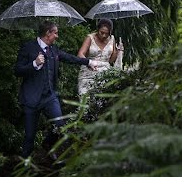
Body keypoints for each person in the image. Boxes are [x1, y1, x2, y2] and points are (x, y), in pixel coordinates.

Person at [14, 21, 96, 158]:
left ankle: (47, 145)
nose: (57, 36)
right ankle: (24, 167)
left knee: (60, 126)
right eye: (55, 33)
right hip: (31, 99)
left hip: (49, 97)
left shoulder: (54, 50)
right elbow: (17, 71)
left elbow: (70, 58)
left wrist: (88, 62)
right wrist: (34, 64)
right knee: (29, 136)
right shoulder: (28, 48)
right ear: (48, 33)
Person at [76, 18, 124, 96]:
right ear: (98, 30)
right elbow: (80, 54)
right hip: (88, 73)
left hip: (104, 74)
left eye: (107, 33)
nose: (104, 35)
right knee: (85, 99)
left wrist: (118, 52)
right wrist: (88, 63)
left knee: (100, 102)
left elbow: (111, 61)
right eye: (102, 33)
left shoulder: (112, 39)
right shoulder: (90, 38)